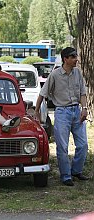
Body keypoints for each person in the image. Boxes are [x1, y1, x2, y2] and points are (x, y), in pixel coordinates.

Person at [34, 47, 89, 186]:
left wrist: (84, 108)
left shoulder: (77, 73)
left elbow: (83, 93)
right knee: (62, 146)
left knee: (83, 145)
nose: (76, 59)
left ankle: (76, 171)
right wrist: (36, 112)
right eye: (73, 57)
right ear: (66, 59)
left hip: (76, 111)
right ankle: (65, 176)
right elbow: (43, 93)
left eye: (76, 56)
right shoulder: (55, 75)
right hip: (62, 112)